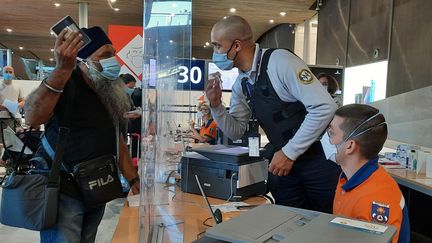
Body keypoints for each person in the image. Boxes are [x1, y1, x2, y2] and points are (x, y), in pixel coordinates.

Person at [205, 15, 340, 213]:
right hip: (283, 165)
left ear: (236, 45)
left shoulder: (279, 62)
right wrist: (216, 105)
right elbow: (235, 131)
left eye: (218, 46)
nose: (215, 52)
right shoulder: (241, 84)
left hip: (317, 160)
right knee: (290, 225)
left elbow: (324, 107)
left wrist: (289, 152)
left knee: (324, 224)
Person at [25, 26, 139, 242]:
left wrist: (133, 178)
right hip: (64, 189)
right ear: (84, 59)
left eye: (113, 54)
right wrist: (61, 70)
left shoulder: (110, 89)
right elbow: (32, 118)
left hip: (98, 187)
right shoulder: (65, 82)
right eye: (105, 55)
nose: (112, 61)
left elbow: (118, 140)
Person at [326, 104, 410, 243]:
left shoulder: (374, 199)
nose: (326, 139)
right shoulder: (348, 178)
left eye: (331, 133)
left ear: (350, 146)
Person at [0, 66, 25, 132]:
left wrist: (16, 106)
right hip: (2, 118)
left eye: (10, 72)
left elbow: (22, 101)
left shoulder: (18, 87)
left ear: (13, 74)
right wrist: (4, 107)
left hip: (16, 118)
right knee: (2, 141)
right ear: (2, 73)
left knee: (16, 141)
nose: (8, 74)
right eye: (6, 72)